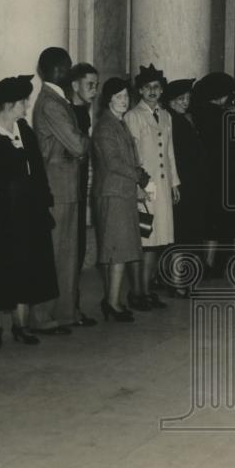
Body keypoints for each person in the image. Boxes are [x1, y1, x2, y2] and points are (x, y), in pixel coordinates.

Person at [0, 76, 60, 346]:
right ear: (9, 104)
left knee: (26, 266)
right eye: (23, 102)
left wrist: (44, 200)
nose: (26, 107)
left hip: (28, 212)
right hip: (0, 214)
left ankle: (21, 324)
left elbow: (38, 170)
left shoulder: (24, 131)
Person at [31, 47, 90, 334]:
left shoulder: (57, 99)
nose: (70, 71)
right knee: (55, 253)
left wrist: (75, 148)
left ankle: (64, 312)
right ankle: (43, 316)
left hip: (65, 184)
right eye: (67, 66)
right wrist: (83, 144)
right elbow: (77, 144)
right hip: (58, 186)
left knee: (66, 253)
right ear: (56, 69)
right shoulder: (52, 103)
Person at [92, 77, 149, 322]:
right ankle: (112, 302)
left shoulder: (118, 123)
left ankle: (113, 300)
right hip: (113, 193)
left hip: (121, 192)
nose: (124, 101)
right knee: (116, 250)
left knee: (119, 250)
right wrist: (138, 176)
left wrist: (137, 182)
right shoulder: (106, 126)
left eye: (126, 96)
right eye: (118, 97)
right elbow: (113, 162)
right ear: (109, 100)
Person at [124, 64, 177, 309]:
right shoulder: (132, 117)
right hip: (145, 186)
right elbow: (131, 155)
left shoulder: (166, 116)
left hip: (163, 187)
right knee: (144, 239)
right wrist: (138, 184)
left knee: (158, 239)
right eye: (147, 88)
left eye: (156, 87)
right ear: (140, 91)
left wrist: (175, 183)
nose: (152, 91)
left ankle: (147, 290)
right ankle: (138, 292)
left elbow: (170, 153)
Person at [193, 72, 235, 275]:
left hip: (208, 175)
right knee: (231, 218)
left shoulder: (199, 115)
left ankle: (209, 262)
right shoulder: (227, 117)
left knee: (210, 219)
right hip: (227, 174)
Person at [164, 78, 206, 295]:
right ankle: (178, 281)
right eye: (181, 99)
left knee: (186, 234)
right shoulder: (172, 121)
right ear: (171, 101)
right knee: (182, 234)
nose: (185, 102)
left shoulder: (181, 119)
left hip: (190, 184)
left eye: (188, 98)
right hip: (182, 185)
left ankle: (182, 280)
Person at [67, 62, 100, 326]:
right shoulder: (71, 112)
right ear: (75, 85)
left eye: (96, 85)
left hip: (78, 188)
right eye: (90, 85)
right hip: (68, 190)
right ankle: (70, 308)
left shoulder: (83, 112)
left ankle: (73, 307)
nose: (94, 90)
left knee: (76, 253)